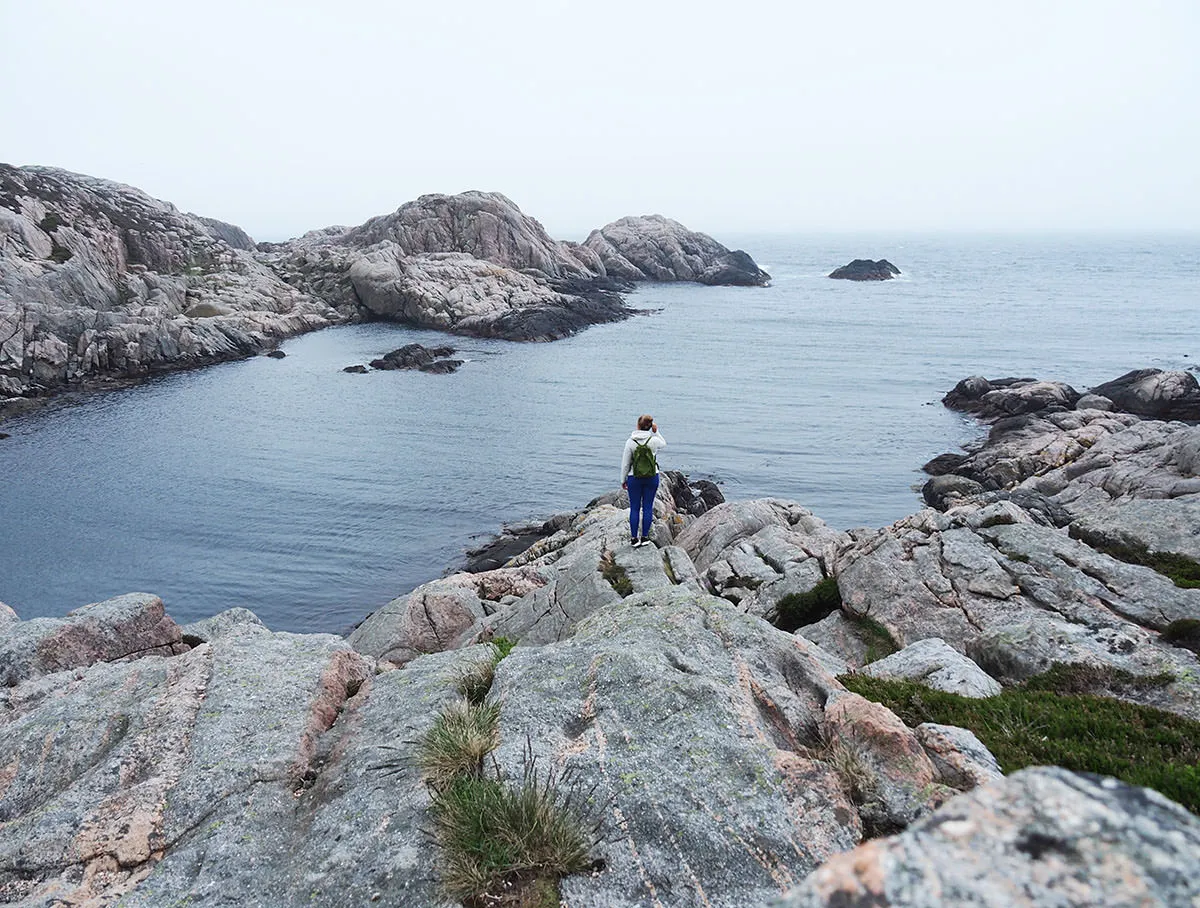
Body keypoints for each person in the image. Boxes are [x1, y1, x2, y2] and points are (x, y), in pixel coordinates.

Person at [621, 415, 666, 547]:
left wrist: (623, 480)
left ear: (638, 425)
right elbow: (664, 443)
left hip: (634, 478)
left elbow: (625, 464)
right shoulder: (654, 440)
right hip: (652, 477)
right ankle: (645, 537)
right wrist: (656, 431)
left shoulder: (630, 442)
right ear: (650, 426)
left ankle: (634, 539)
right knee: (648, 507)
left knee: (634, 509)